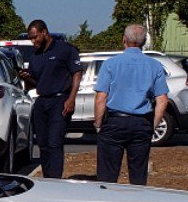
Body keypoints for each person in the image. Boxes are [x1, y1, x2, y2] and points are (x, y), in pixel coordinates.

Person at [92, 24, 168, 186]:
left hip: (114, 122)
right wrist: (152, 126)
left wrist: (98, 124)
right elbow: (162, 100)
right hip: (141, 123)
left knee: (107, 176)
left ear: (124, 40)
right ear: (144, 41)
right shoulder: (155, 66)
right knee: (138, 176)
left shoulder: (110, 64)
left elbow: (101, 97)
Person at [17, 20, 83, 179]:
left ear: (44, 32)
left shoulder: (65, 49)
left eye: (35, 37)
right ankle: (47, 179)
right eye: (31, 39)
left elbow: (77, 72)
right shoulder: (35, 57)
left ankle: (55, 181)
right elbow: (35, 84)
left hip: (60, 102)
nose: (33, 42)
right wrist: (26, 78)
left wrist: (72, 98)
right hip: (42, 102)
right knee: (43, 144)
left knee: (54, 143)